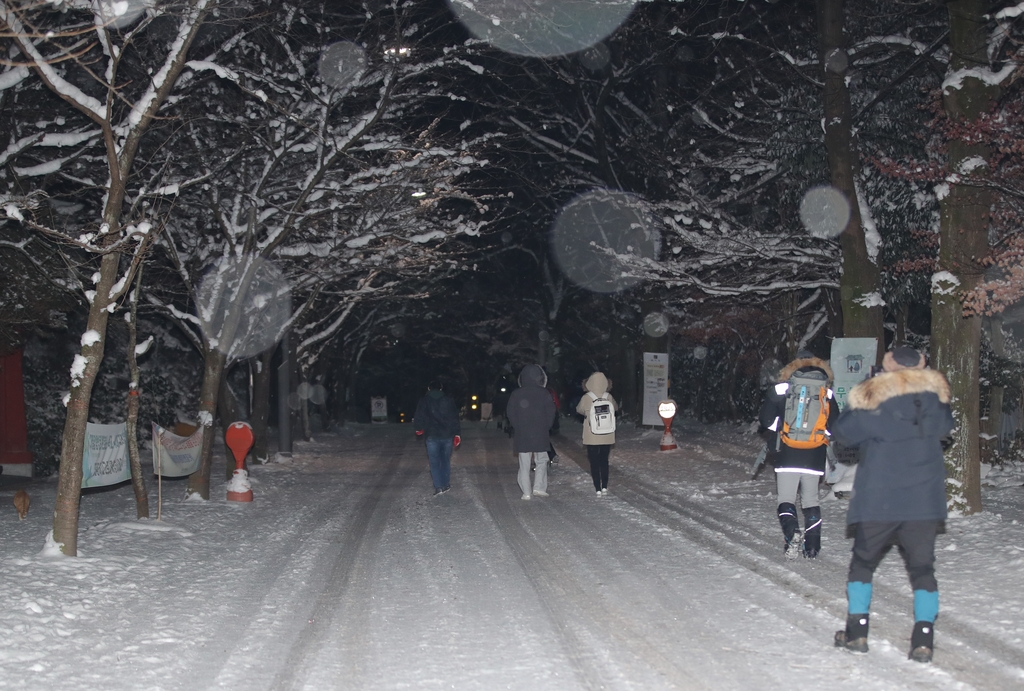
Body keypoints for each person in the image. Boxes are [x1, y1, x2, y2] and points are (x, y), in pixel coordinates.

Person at [831, 346, 953, 663]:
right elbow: (944, 428)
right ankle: (923, 639)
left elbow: (843, 433)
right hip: (923, 502)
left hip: (878, 499)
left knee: (863, 564)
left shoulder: (874, 399)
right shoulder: (934, 400)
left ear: (888, 366)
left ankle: (857, 632)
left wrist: (864, 392)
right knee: (923, 569)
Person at [758, 349, 838, 558]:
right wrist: (817, 434)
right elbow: (834, 426)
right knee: (811, 500)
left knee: (786, 498)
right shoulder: (825, 391)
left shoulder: (782, 388)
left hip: (788, 452)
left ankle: (792, 533)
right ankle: (812, 547)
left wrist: (783, 428)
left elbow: (766, 420)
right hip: (814, 453)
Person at [506, 364, 557, 500]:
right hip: (540, 432)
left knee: (524, 463)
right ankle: (539, 487)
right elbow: (551, 412)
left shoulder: (517, 393)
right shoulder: (544, 393)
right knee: (541, 460)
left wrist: (518, 426)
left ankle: (526, 491)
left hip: (523, 433)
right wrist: (546, 426)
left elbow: (510, 413)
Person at [413, 380, 461, 496]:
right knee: (445, 460)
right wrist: (457, 433)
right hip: (447, 435)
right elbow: (454, 417)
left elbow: (419, 416)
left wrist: (419, 428)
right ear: (441, 388)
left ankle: (438, 486)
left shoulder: (424, 401)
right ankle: (445, 484)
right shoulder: (448, 400)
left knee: (434, 462)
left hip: (431, 435)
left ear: (429, 389)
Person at [576, 371, 616, 496]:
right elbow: (615, 408)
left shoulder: (587, 397)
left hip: (591, 434)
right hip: (607, 434)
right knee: (604, 460)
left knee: (594, 461)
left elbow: (579, 409)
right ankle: (605, 486)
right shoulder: (608, 396)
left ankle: (597, 487)